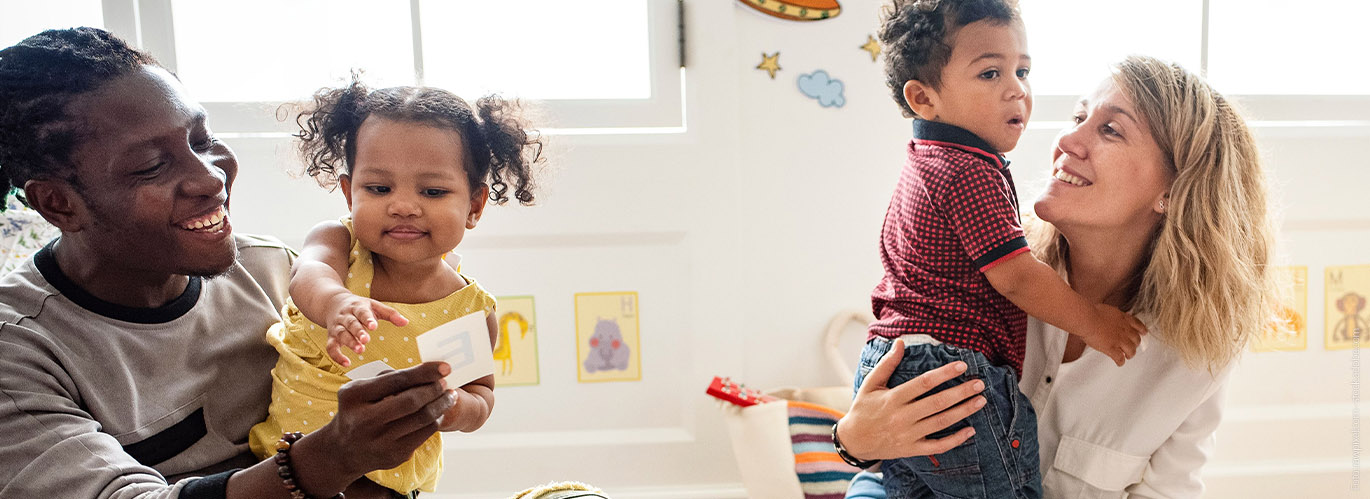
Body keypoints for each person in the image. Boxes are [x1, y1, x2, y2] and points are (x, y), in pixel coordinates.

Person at [0, 27, 465, 499]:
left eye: (202, 139)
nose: (210, 178)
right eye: (151, 166)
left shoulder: (276, 273)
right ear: (58, 203)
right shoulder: (18, 352)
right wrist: (332, 457)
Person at [837, 54, 1277, 498]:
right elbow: (882, 460)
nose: (1067, 139)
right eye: (1079, 117)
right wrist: (852, 440)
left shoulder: (1194, 357)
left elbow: (1166, 491)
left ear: (1174, 189)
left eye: (1111, 129)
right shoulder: (983, 266)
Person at [840, 1, 1146, 497]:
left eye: (1023, 70)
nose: (1016, 89)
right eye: (990, 73)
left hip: (894, 358)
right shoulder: (968, 170)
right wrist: (1095, 323)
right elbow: (1017, 277)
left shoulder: (927, 161)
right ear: (923, 98)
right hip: (947, 370)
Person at [247, 78, 543, 495]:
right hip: (287, 470)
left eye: (433, 191)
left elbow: (481, 395)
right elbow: (308, 274)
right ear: (350, 194)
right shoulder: (339, 244)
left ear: (474, 206)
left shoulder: (469, 311)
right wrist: (337, 302)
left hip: (391, 485)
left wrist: (453, 407)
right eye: (379, 188)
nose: (403, 206)